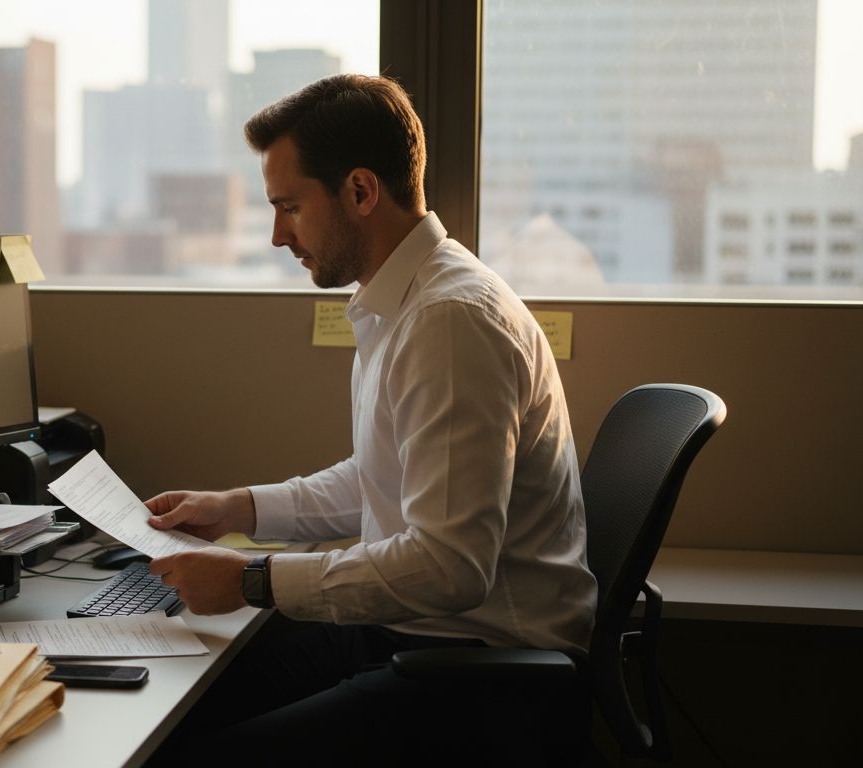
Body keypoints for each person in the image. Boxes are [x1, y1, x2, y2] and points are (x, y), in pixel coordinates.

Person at [144, 74, 597, 763]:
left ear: (360, 192)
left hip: (475, 670)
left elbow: (449, 566)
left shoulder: (449, 321)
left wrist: (251, 579)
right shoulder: (407, 302)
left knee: (186, 749)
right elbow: (379, 479)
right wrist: (237, 509)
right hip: (419, 631)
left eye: (289, 207)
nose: (275, 236)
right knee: (181, 704)